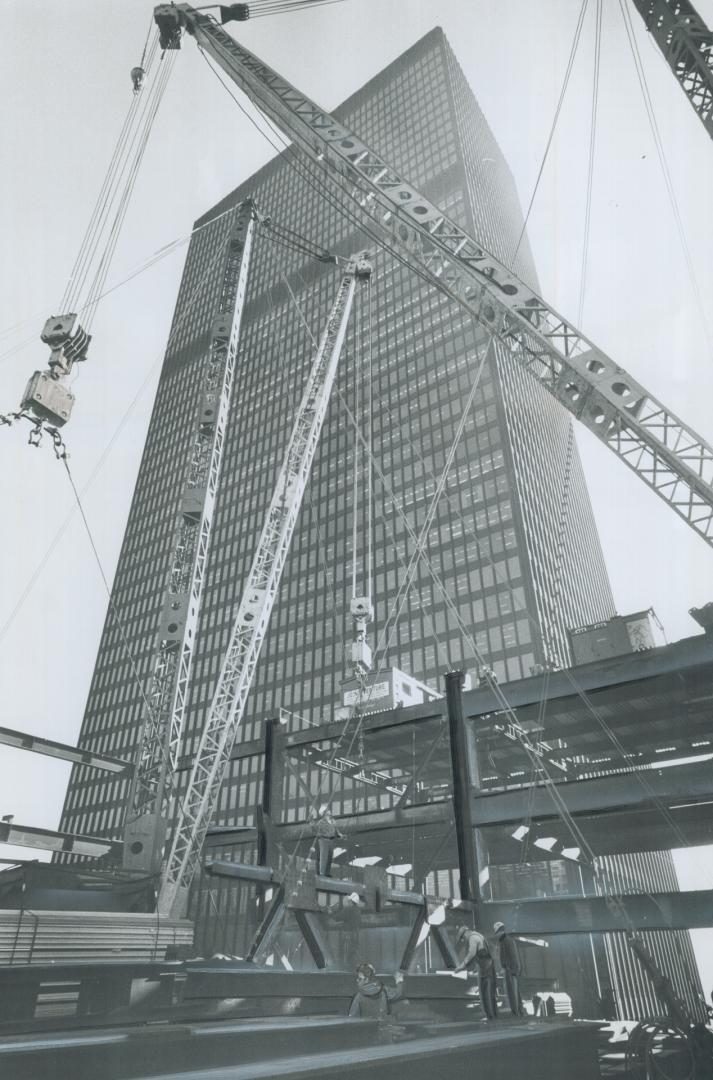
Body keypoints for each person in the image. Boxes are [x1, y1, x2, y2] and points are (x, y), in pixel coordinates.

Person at [453, 925, 498, 1020]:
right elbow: (481, 953)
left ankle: (490, 1017)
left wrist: (461, 966)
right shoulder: (479, 936)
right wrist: (475, 969)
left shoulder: (472, 938)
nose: (463, 940)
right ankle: (492, 1016)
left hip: (485, 968)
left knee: (484, 993)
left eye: (462, 938)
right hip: (487, 966)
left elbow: (471, 953)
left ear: (465, 933)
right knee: (489, 992)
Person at [493, 921, 524, 1016]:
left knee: (512, 993)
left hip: (510, 970)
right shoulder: (507, 940)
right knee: (515, 993)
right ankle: (519, 1012)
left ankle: (516, 1014)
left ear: (499, 932)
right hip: (512, 970)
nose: (497, 935)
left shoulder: (505, 941)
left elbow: (509, 957)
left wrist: (508, 969)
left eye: (497, 932)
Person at [313, 806, 343, 877]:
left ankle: (327, 873)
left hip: (331, 840)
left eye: (328, 810)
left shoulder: (333, 821)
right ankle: (322, 873)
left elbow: (336, 831)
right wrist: (312, 825)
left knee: (329, 857)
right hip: (323, 840)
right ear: (324, 813)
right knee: (323, 857)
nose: (329, 811)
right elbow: (316, 830)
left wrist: (340, 835)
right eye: (327, 810)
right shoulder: (321, 822)